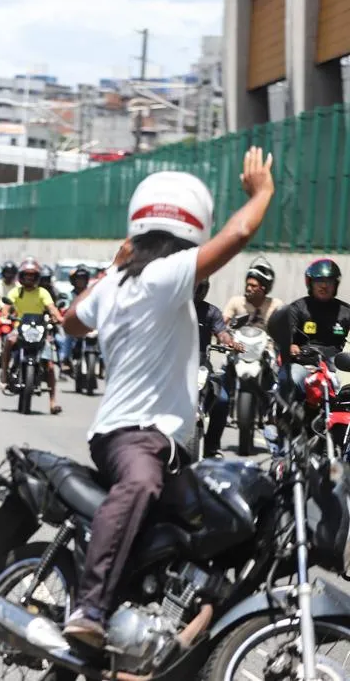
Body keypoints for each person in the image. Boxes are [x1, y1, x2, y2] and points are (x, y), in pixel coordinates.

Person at [60, 148, 275, 647]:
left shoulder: (117, 282)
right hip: (134, 436)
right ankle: (90, 607)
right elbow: (238, 236)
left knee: (218, 529)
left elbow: (71, 322)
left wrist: (109, 270)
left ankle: (181, 642)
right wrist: (262, 192)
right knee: (138, 485)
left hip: (168, 443)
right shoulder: (164, 276)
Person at [4, 258, 64, 413]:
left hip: (40, 331)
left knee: (50, 365)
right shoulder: (15, 292)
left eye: (32, 275)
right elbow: (7, 307)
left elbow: (52, 308)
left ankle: (52, 402)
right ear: (21, 276)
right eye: (27, 275)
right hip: (20, 329)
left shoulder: (43, 292)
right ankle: (4, 373)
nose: (29, 278)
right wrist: (6, 314)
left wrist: (58, 317)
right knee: (9, 341)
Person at [283, 258, 350, 393]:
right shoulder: (297, 308)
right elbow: (286, 333)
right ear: (311, 284)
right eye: (319, 281)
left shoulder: (346, 312)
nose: (324, 286)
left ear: (335, 285)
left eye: (329, 281)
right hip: (304, 362)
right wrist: (290, 345)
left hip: (337, 365)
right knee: (291, 379)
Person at [195, 279, 240, 457]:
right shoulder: (175, 307)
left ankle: (211, 447)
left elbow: (221, 332)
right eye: (193, 285)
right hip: (174, 364)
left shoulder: (211, 312)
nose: (196, 290)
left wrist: (229, 342)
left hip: (201, 365)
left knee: (221, 399)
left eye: (200, 287)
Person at [223, 260, 283, 330]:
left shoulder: (276, 305)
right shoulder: (236, 302)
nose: (248, 288)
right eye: (247, 284)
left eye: (253, 286)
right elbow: (221, 324)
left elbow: (285, 329)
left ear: (263, 288)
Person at [57, 265, 92, 372]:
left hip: (90, 324)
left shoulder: (92, 293)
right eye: (78, 279)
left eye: (83, 279)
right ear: (73, 280)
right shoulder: (68, 295)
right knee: (68, 336)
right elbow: (64, 307)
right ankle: (66, 360)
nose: (80, 281)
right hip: (75, 324)